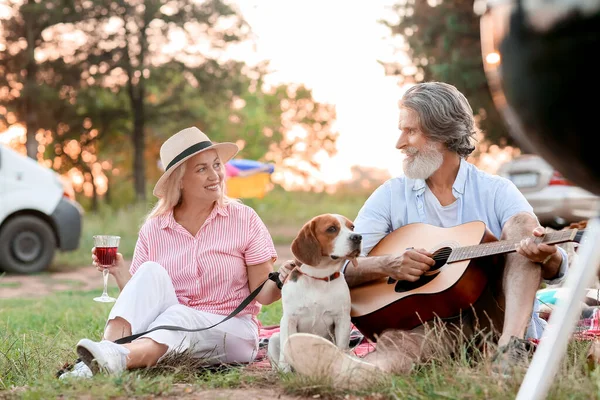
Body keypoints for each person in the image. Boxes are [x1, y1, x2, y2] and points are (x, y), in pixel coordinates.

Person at [281, 82, 570, 386]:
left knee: (523, 226)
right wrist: (387, 264)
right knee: (402, 344)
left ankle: (510, 351)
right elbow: (343, 265)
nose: (399, 143)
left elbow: (551, 264)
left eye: (411, 131)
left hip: (496, 318)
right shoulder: (391, 195)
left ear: (443, 133)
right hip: (430, 321)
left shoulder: (497, 191)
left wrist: (546, 256)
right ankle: (350, 374)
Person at [61, 127, 285, 379]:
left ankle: (113, 357)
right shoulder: (154, 228)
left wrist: (283, 280)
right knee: (149, 271)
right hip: (169, 328)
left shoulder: (244, 219)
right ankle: (99, 360)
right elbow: (141, 304)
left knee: (179, 316)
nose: (215, 175)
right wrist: (119, 272)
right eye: (202, 169)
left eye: (216, 165)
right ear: (179, 180)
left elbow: (263, 294)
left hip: (233, 331)